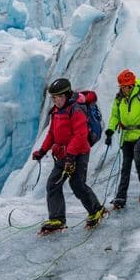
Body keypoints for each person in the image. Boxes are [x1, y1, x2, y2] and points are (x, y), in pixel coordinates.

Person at [32, 77, 106, 233]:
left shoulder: (76, 110)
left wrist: (71, 156)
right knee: (53, 184)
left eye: (58, 97)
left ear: (66, 95)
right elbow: (52, 134)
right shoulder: (57, 111)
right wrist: (42, 151)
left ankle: (96, 210)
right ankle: (57, 218)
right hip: (62, 155)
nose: (55, 100)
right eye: (53, 97)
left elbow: (80, 135)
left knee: (77, 185)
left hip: (78, 154)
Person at [105, 69, 140, 209]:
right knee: (126, 166)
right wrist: (110, 130)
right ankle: (121, 196)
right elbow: (115, 115)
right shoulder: (119, 98)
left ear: (131, 85)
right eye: (121, 86)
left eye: (125, 86)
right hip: (126, 136)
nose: (123, 89)